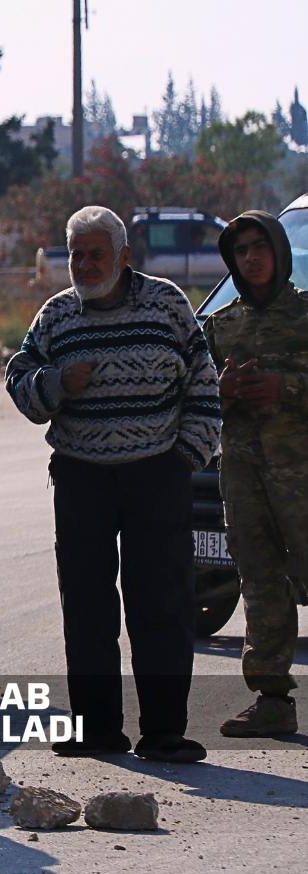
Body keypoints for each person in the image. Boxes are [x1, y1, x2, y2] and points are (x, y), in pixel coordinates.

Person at [6, 205, 220, 763]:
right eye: (76, 253)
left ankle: (165, 733)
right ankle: (98, 729)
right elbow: (19, 382)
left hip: (157, 475)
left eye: (96, 253)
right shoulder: (56, 317)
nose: (83, 263)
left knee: (161, 605)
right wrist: (55, 382)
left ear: (125, 256)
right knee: (86, 606)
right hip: (81, 478)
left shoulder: (167, 305)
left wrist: (183, 460)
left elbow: (204, 386)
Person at [205, 210, 307, 738]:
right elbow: (193, 394)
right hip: (244, 473)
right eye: (241, 250)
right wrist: (222, 390)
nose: (251, 257)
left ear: (279, 251)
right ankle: (271, 700)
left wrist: (285, 387)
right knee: (261, 581)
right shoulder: (222, 326)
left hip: (301, 475)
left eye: (259, 246)